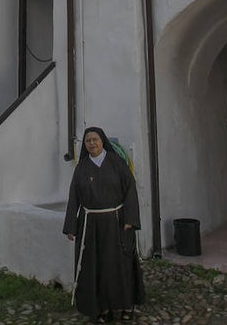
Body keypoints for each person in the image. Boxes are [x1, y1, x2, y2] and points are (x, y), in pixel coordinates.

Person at [63, 126, 144, 322]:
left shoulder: (117, 163)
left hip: (116, 223)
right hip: (90, 225)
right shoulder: (81, 168)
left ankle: (126, 305)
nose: (91, 143)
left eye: (95, 139)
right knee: (95, 268)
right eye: (88, 140)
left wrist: (130, 220)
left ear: (102, 141)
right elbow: (73, 197)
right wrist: (71, 226)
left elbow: (130, 190)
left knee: (119, 266)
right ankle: (101, 308)